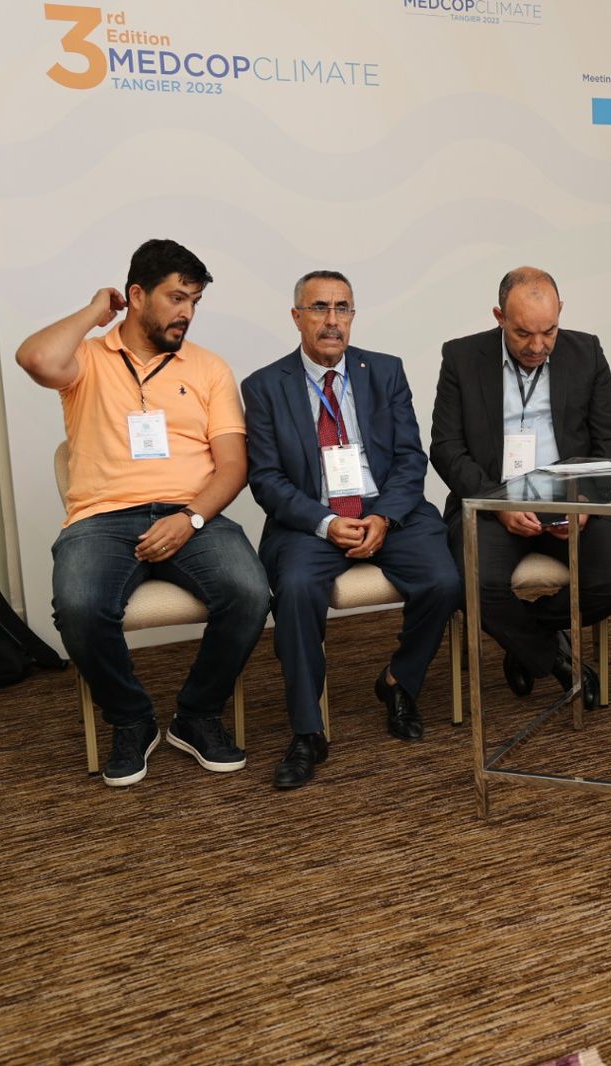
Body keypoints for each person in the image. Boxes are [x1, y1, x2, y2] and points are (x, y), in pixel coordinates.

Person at [16, 238, 269, 787]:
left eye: (194, 302)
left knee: (250, 593)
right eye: (176, 298)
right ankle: (131, 719)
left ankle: (197, 714)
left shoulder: (209, 368)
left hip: (192, 514)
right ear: (136, 295)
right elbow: (34, 358)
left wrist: (190, 519)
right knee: (79, 606)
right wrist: (94, 312)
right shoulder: (86, 358)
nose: (187, 313)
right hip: (102, 519)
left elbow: (232, 466)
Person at [242, 270, 460, 789]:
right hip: (311, 518)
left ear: (353, 316)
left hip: (388, 510)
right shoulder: (264, 386)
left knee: (444, 580)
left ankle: (399, 680)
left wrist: (383, 517)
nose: (332, 320)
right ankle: (307, 730)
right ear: (297, 317)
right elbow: (266, 479)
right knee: (296, 589)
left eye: (342, 308)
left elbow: (410, 457)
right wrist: (325, 522)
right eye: (319, 308)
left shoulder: (384, 371)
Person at [430, 267, 611, 704]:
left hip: (570, 499)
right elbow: (446, 448)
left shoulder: (587, 352)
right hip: (491, 500)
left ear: (561, 313)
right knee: (471, 584)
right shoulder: (462, 357)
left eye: (549, 331)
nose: (538, 346)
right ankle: (554, 658)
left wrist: (586, 501)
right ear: (499, 316)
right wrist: (496, 503)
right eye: (523, 333)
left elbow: (608, 441)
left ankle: (522, 638)